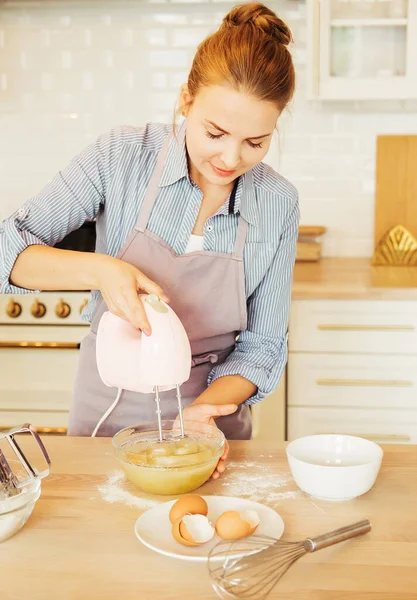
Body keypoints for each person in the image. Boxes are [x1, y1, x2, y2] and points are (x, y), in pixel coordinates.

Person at [0, 3, 299, 479]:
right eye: (215, 132)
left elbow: (263, 346)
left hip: (210, 425)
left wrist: (201, 417)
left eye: (255, 142)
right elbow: (4, 251)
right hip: (104, 413)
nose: (229, 157)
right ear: (186, 99)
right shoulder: (121, 156)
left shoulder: (277, 202)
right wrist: (101, 270)